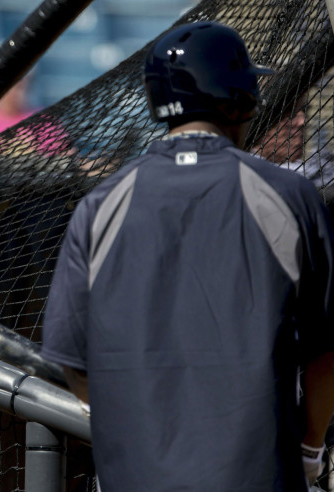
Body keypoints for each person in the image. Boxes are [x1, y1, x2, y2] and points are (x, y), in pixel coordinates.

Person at [40, 22, 334, 491]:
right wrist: (310, 447)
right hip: (260, 474)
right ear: (240, 96)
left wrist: (135, 435)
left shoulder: (101, 203)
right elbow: (324, 350)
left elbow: (71, 358)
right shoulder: (288, 193)